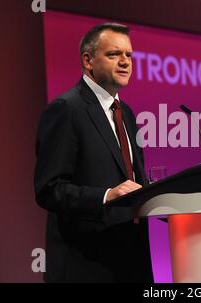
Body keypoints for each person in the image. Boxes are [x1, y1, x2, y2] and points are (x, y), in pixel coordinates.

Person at [34, 23, 153, 282]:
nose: (125, 62)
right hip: (86, 265)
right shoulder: (66, 109)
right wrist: (106, 196)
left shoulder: (127, 114)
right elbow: (49, 189)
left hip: (131, 262)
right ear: (88, 61)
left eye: (129, 55)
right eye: (114, 54)